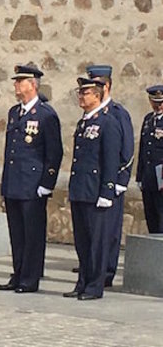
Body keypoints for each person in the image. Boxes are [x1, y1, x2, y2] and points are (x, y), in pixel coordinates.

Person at [0, 64, 63, 293]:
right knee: (17, 233)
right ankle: (18, 273)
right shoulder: (15, 112)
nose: (16, 85)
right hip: (14, 182)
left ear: (33, 85)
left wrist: (47, 183)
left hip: (33, 185)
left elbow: (54, 152)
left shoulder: (46, 115)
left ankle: (29, 278)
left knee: (32, 234)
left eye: (20, 81)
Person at [64, 77, 121, 301]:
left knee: (97, 242)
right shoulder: (84, 122)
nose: (81, 97)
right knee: (82, 241)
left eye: (85, 93)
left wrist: (107, 191)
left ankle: (95, 286)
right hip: (81, 189)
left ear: (97, 96)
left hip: (96, 191)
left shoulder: (108, 122)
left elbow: (110, 160)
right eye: (80, 92)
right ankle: (83, 282)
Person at [84, 65, 134, 287]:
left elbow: (127, 150)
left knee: (109, 231)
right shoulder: (90, 114)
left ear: (107, 86)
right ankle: (94, 268)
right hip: (94, 183)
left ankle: (106, 271)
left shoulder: (117, 113)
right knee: (93, 232)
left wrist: (120, 181)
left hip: (110, 182)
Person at [136, 85, 163, 233]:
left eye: (161, 102)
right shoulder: (148, 120)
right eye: (155, 102)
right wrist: (140, 176)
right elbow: (143, 149)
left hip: (162, 179)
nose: (158, 106)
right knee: (151, 216)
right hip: (149, 178)